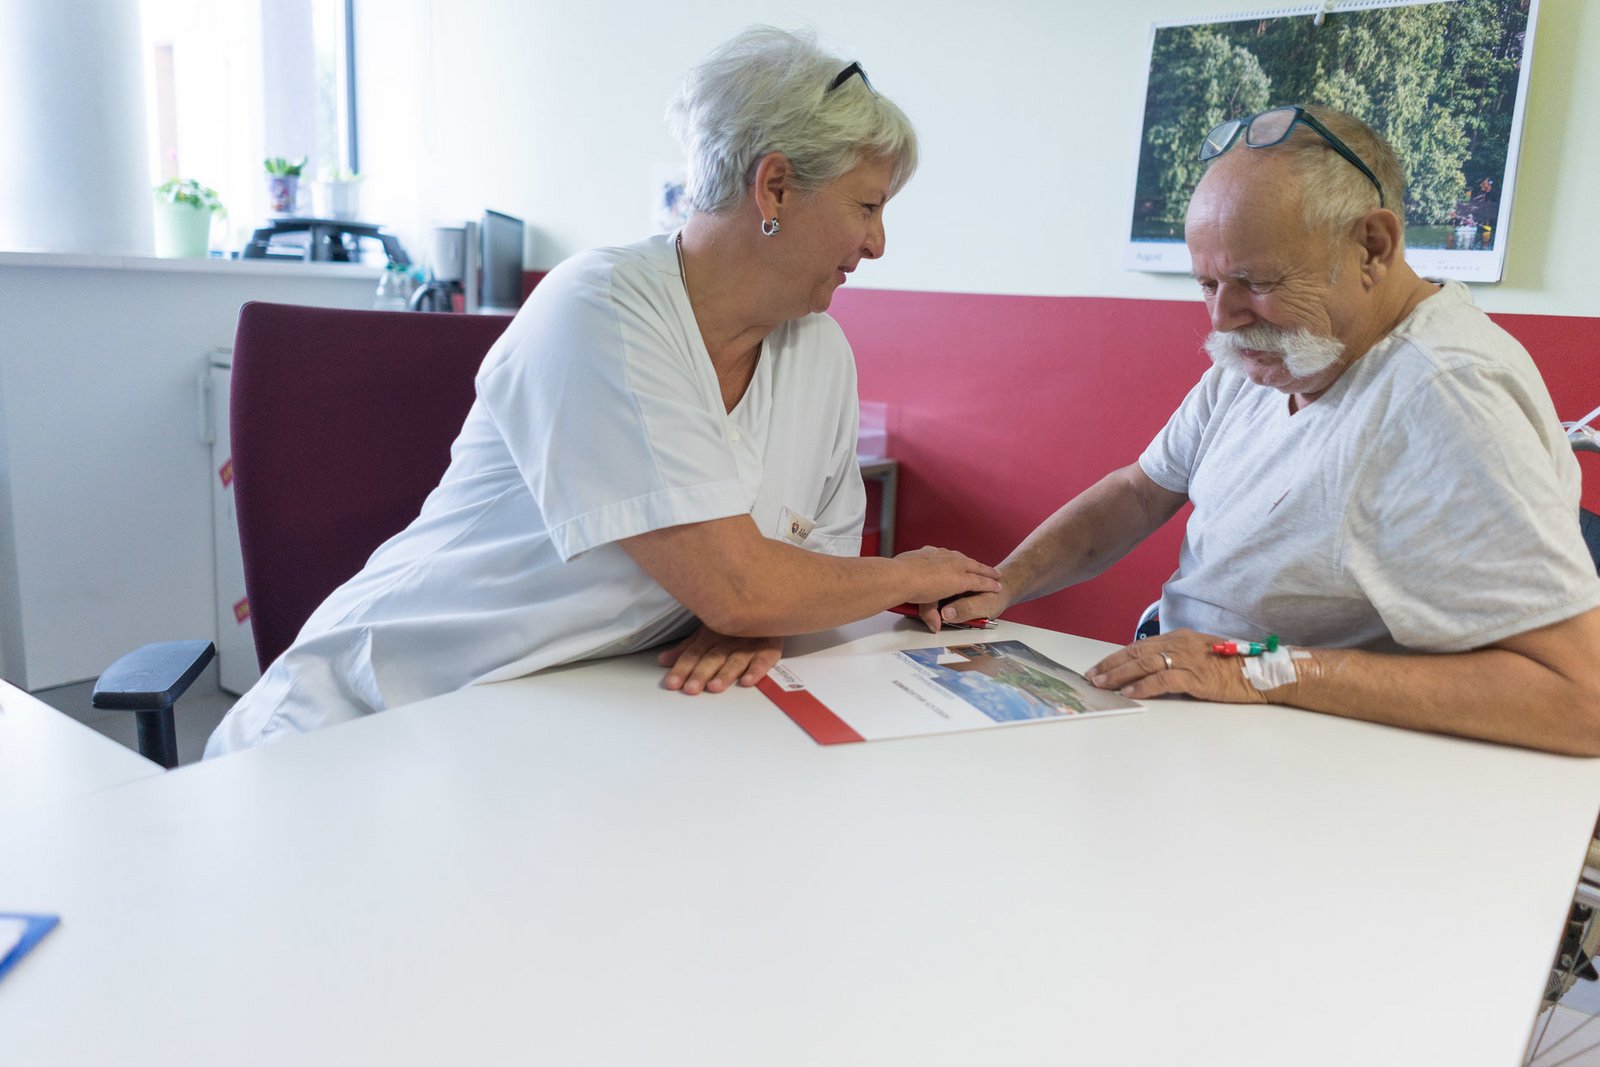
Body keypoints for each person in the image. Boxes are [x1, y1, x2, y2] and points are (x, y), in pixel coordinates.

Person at [206, 27, 1000, 756]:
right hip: (378, 717)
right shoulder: (602, 309)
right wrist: (907, 573)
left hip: (558, 729)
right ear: (777, 188)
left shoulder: (818, 352)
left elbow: (797, 578)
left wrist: (763, 614)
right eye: (866, 206)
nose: (877, 242)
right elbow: (743, 583)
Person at [934, 105, 1600, 756]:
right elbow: (1142, 491)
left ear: (1373, 246)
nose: (1223, 318)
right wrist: (1004, 582)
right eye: (1207, 283)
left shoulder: (1448, 393)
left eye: (1255, 281)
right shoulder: (1280, 347)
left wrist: (1251, 668)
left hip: (1308, 745)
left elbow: (1582, 700)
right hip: (1200, 697)